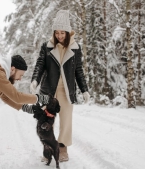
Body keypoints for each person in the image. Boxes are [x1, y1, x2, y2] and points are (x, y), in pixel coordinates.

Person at [28, 10, 90, 162]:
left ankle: (62, 149)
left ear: (68, 33)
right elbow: (40, 65)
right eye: (57, 33)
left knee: (66, 121)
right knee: (46, 121)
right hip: (48, 90)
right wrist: (35, 80)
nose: (60, 36)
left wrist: (84, 89)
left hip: (66, 90)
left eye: (63, 33)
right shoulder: (47, 47)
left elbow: (79, 70)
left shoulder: (75, 48)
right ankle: (48, 149)